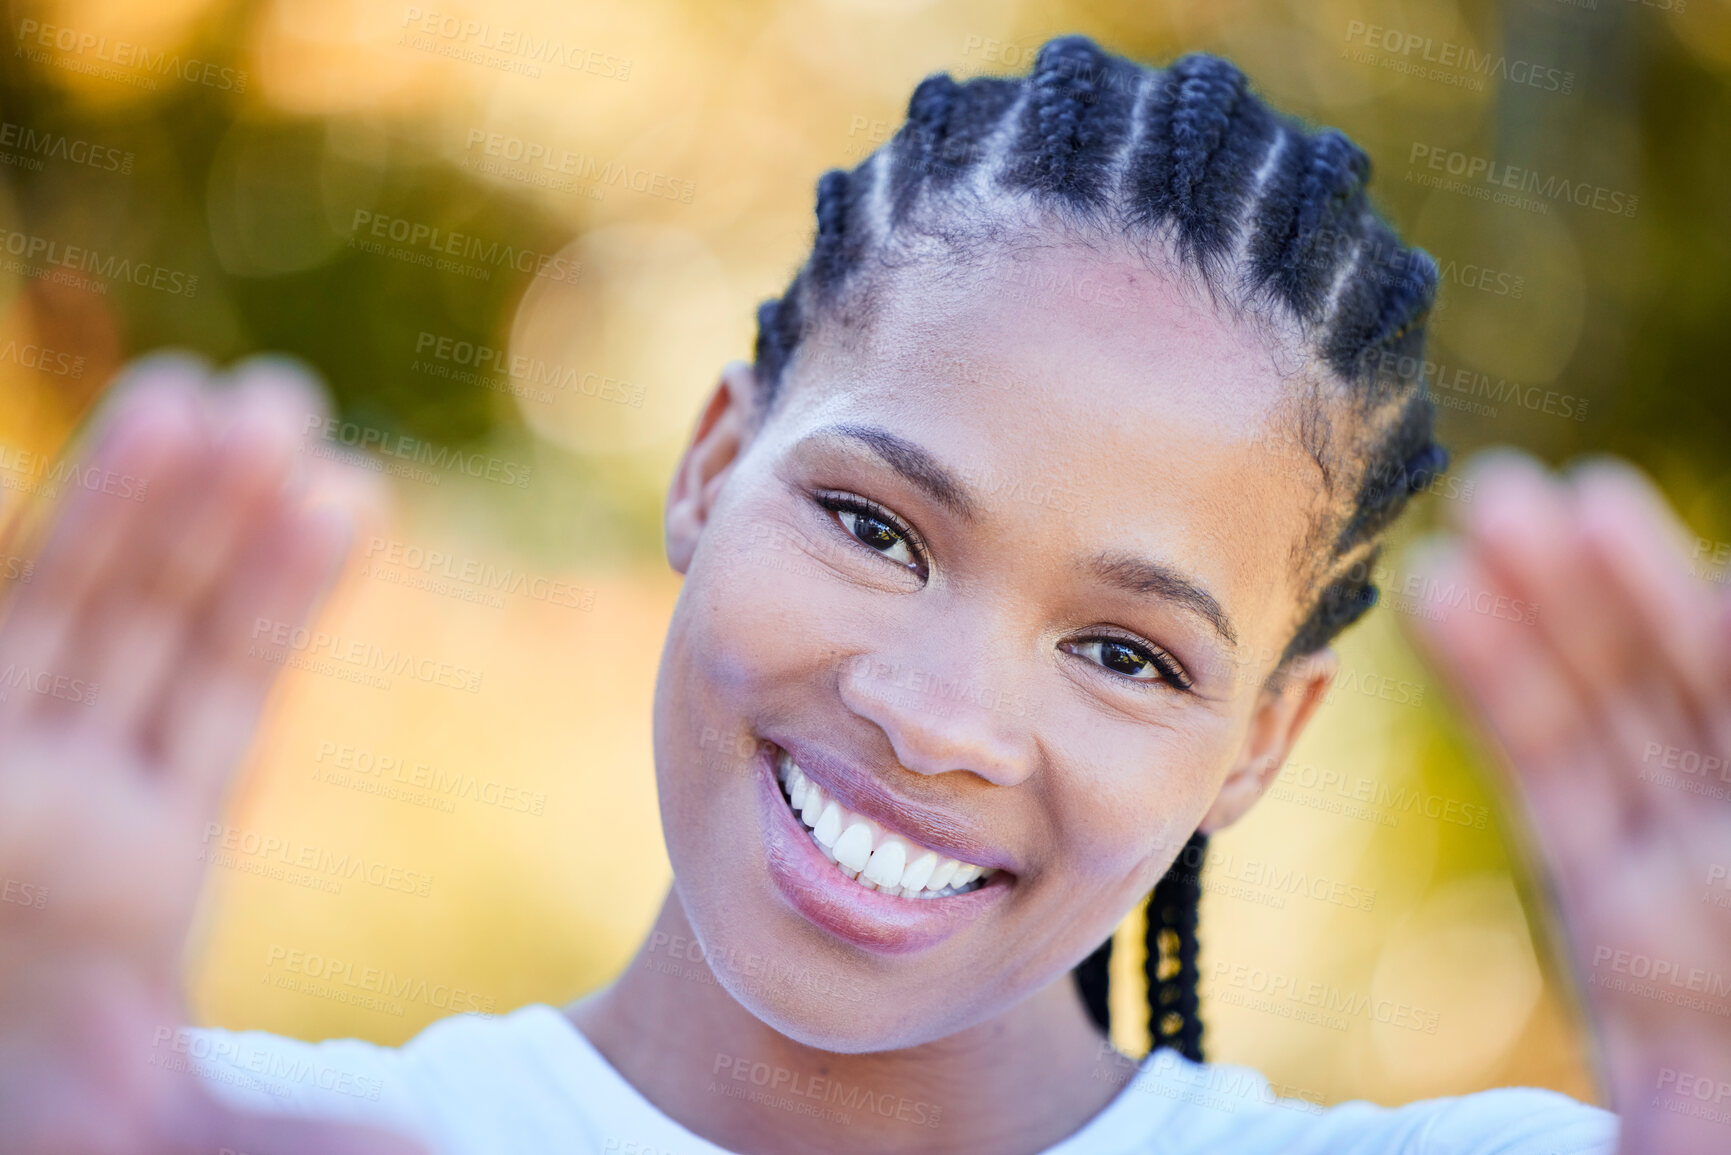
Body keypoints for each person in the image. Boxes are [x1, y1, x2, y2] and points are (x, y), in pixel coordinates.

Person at [1, 34, 1725, 1155]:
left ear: (1262, 743)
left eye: (1126, 653)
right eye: (877, 527)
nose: (938, 716)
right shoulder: (203, 1132)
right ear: (707, 465)